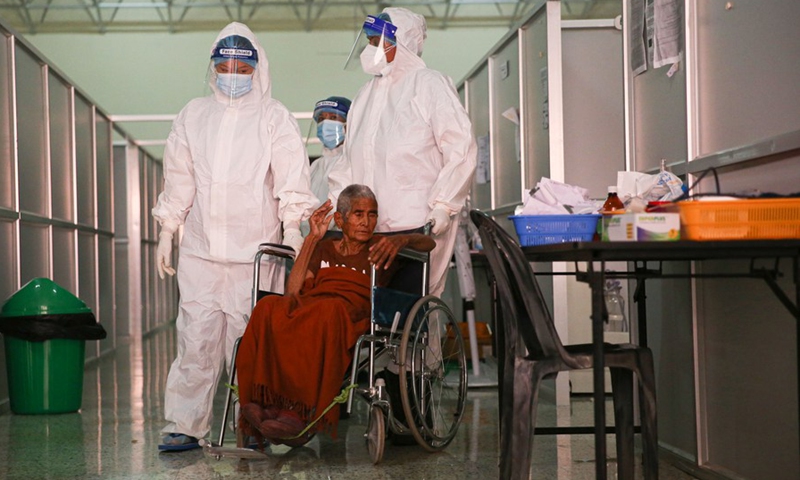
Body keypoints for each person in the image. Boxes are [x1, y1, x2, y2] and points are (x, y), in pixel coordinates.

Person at [152, 22, 317, 451]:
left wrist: (294, 228)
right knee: (195, 339)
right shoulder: (193, 115)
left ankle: (255, 423)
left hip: (256, 255)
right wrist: (168, 227)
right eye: (223, 64)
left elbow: (292, 180)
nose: (231, 73)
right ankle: (185, 425)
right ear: (212, 66)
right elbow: (180, 179)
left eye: (241, 67)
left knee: (253, 344)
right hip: (202, 253)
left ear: (256, 70)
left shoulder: (273, 116)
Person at [235, 184, 435, 447]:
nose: (367, 222)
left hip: (349, 312)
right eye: (358, 214)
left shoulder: (381, 246)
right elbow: (293, 292)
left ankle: (298, 412)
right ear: (339, 219)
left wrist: (403, 239)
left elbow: (429, 243)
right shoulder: (324, 247)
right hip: (314, 306)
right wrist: (311, 240)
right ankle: (264, 404)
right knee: (268, 306)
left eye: (372, 214)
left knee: (327, 312)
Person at [329, 7, 477, 300]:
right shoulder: (364, 97)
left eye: (378, 41)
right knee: (370, 313)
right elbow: (349, 163)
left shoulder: (428, 84)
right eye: (370, 41)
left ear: (403, 44)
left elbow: (461, 147)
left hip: (418, 227)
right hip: (367, 230)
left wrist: (444, 206)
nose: (371, 49)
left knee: (416, 308)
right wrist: (336, 204)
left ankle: (424, 347)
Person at [310, 96, 351, 203]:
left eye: (333, 118)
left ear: (349, 124)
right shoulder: (315, 166)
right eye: (321, 119)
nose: (325, 124)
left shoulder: (354, 162)